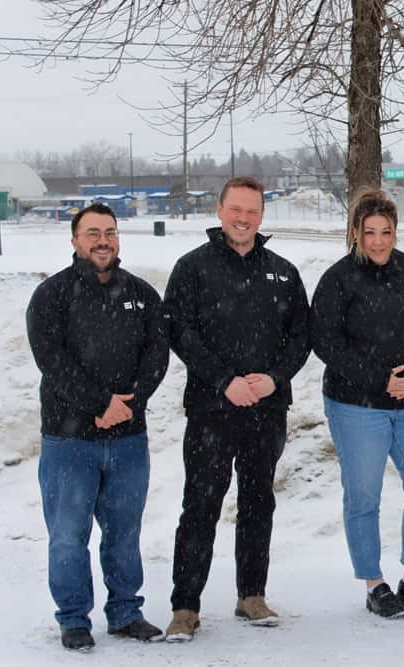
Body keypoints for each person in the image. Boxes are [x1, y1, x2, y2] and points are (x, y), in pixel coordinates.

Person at [163, 176, 311, 641]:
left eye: (252, 211)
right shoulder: (192, 268)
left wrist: (274, 378)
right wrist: (224, 380)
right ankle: (186, 606)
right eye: (236, 209)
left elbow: (301, 336)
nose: (243, 219)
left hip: (266, 409)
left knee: (258, 502)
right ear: (220, 210)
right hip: (212, 408)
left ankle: (252, 595)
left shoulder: (283, 272)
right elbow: (180, 332)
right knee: (201, 505)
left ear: (262, 215)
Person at [311, 190, 404, 619]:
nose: (378, 241)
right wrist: (380, 379)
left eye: (386, 232)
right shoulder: (339, 279)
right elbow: (325, 341)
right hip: (356, 405)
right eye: (370, 232)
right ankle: (374, 583)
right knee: (364, 493)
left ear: (395, 232)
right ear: (356, 233)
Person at [27, 203, 169, 651]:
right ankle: (73, 618)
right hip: (69, 440)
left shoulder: (142, 294)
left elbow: (157, 355)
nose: (102, 241)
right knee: (69, 536)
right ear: (75, 240)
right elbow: (52, 361)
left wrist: (128, 405)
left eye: (109, 232)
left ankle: (126, 612)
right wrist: (99, 404)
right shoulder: (51, 295)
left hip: (127, 438)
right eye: (92, 233)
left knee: (124, 534)